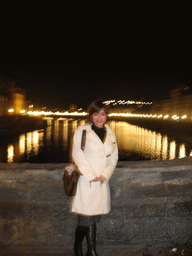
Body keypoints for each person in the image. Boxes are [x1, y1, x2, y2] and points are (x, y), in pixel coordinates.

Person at [69, 99, 118, 256]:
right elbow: (77, 154)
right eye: (96, 114)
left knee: (93, 218)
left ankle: (78, 247)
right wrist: (91, 175)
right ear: (90, 115)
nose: (99, 117)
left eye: (102, 114)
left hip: (101, 181)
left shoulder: (110, 133)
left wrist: (105, 175)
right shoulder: (82, 131)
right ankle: (91, 251)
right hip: (86, 181)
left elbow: (114, 157)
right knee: (87, 218)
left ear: (106, 115)